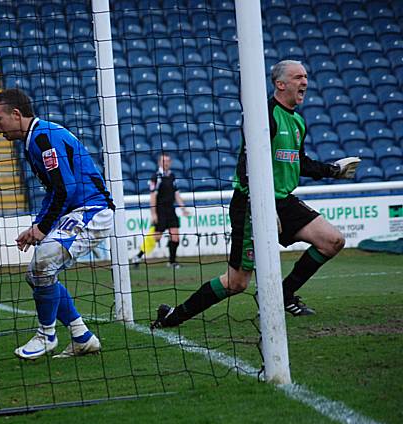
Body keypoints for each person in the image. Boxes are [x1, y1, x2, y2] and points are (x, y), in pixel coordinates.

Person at [151, 59, 360, 329]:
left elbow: (300, 161)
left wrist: (333, 170)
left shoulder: (297, 121)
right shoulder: (263, 116)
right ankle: (172, 316)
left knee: (333, 241)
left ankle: (281, 295)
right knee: (237, 282)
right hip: (250, 203)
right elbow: (245, 166)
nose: (304, 82)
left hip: (282, 200)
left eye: (305, 76)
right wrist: (262, 205)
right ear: (280, 83)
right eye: (298, 77)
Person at [0, 88, 114, 360]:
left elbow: (64, 189)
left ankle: (46, 335)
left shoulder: (43, 139)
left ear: (17, 114)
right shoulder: (35, 138)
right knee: (37, 273)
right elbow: (55, 192)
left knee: (43, 263)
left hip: (92, 209)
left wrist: (42, 228)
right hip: (78, 210)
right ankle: (82, 337)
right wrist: (36, 226)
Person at [131, 153, 190, 269]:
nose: (166, 163)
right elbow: (152, 196)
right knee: (156, 236)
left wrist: (183, 208)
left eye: (168, 161)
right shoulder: (156, 177)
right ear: (159, 163)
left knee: (175, 236)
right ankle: (138, 256)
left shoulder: (172, 176)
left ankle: (172, 262)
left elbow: (176, 194)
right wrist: (153, 213)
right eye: (164, 161)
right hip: (160, 210)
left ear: (170, 162)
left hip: (171, 210)